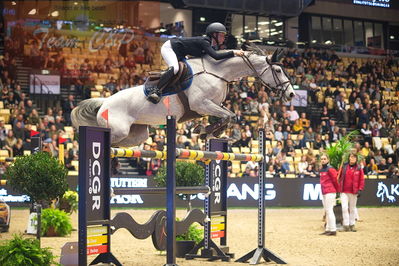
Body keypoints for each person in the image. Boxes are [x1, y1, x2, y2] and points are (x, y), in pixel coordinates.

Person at [147, 22, 244, 103]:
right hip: (170, 47)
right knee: (175, 68)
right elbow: (216, 56)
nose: (223, 38)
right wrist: (234, 52)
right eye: (222, 35)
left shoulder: (210, 45)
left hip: (180, 53)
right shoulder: (205, 42)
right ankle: (155, 91)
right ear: (214, 35)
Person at [339, 152, 365, 232]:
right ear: (349, 158)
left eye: (354, 157)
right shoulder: (344, 166)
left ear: (356, 159)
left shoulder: (359, 168)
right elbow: (339, 176)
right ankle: (346, 225)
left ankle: (352, 225)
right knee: (344, 208)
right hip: (344, 191)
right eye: (351, 157)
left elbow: (362, 179)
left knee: (352, 209)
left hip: (354, 191)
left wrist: (360, 189)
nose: (352, 158)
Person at [319, 154, 339, 236]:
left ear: (328, 160)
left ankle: (333, 229)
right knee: (327, 211)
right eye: (321, 159)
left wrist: (337, 190)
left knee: (330, 210)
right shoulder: (321, 170)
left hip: (330, 191)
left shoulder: (330, 169)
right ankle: (328, 229)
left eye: (324, 159)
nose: (323, 160)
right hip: (324, 192)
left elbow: (335, 180)